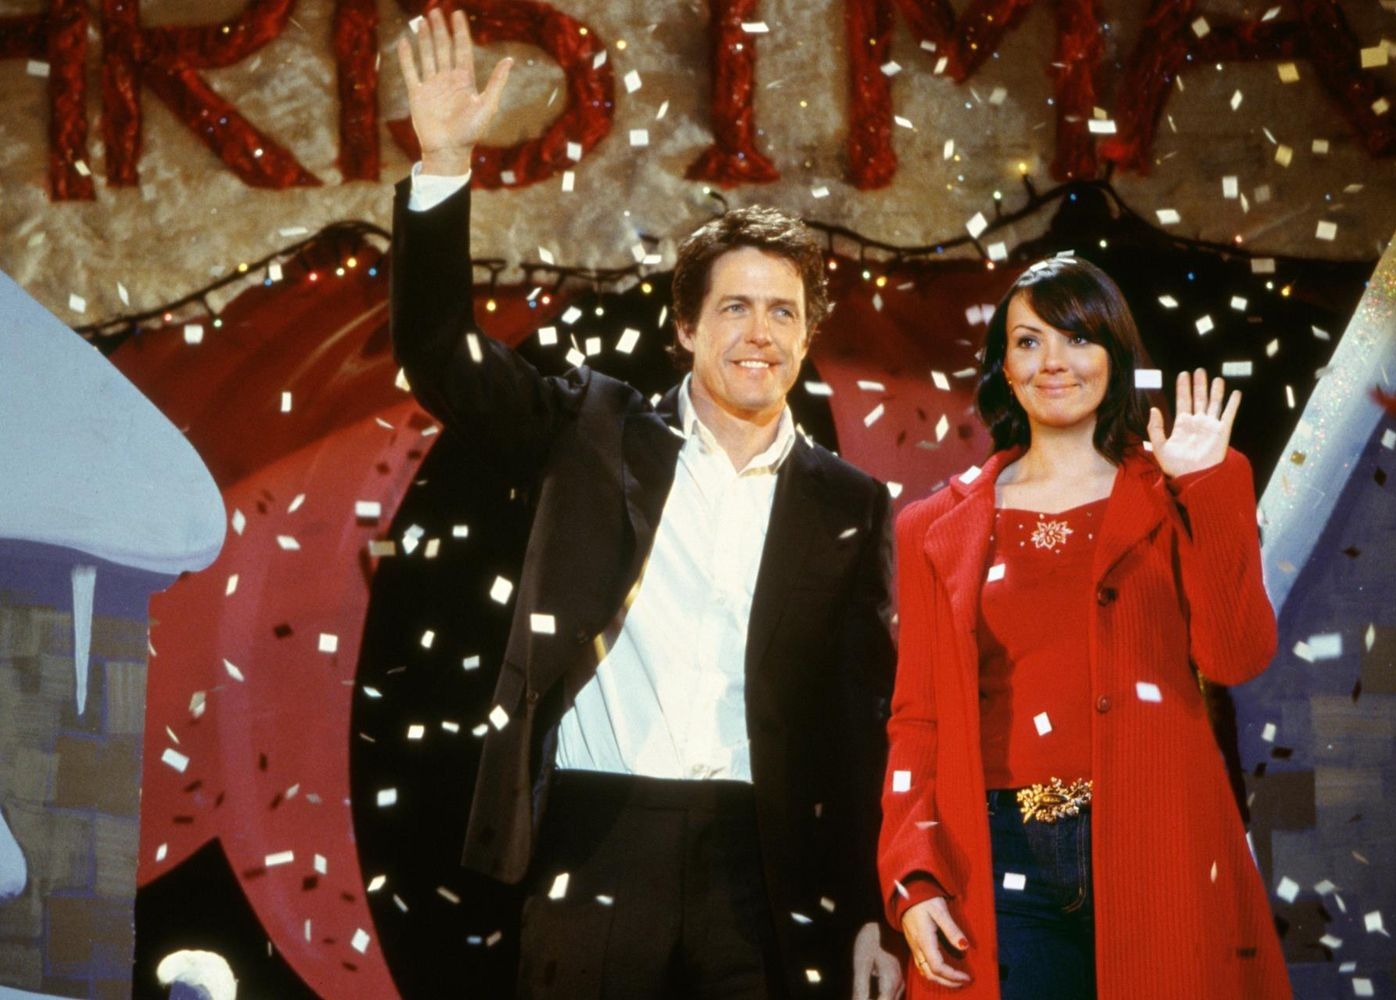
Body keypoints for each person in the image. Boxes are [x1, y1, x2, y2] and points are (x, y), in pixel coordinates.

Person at [391, 10, 903, 998]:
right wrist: (444, 164)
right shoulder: (592, 427)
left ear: (807, 337)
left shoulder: (848, 504)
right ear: (685, 327)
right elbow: (440, 356)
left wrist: (863, 907)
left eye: (783, 311)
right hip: (594, 836)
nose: (759, 333)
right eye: (734, 307)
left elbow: (857, 726)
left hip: (759, 862)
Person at [876, 257, 1291, 998]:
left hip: (1159, 840)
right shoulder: (934, 526)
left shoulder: (1175, 490)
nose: (1054, 362)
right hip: (999, 857)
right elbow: (917, 720)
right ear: (1004, 367)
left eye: (1077, 337)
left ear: (1115, 355)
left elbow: (1236, 656)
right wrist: (913, 873)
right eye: (1028, 341)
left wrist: (1205, 483)